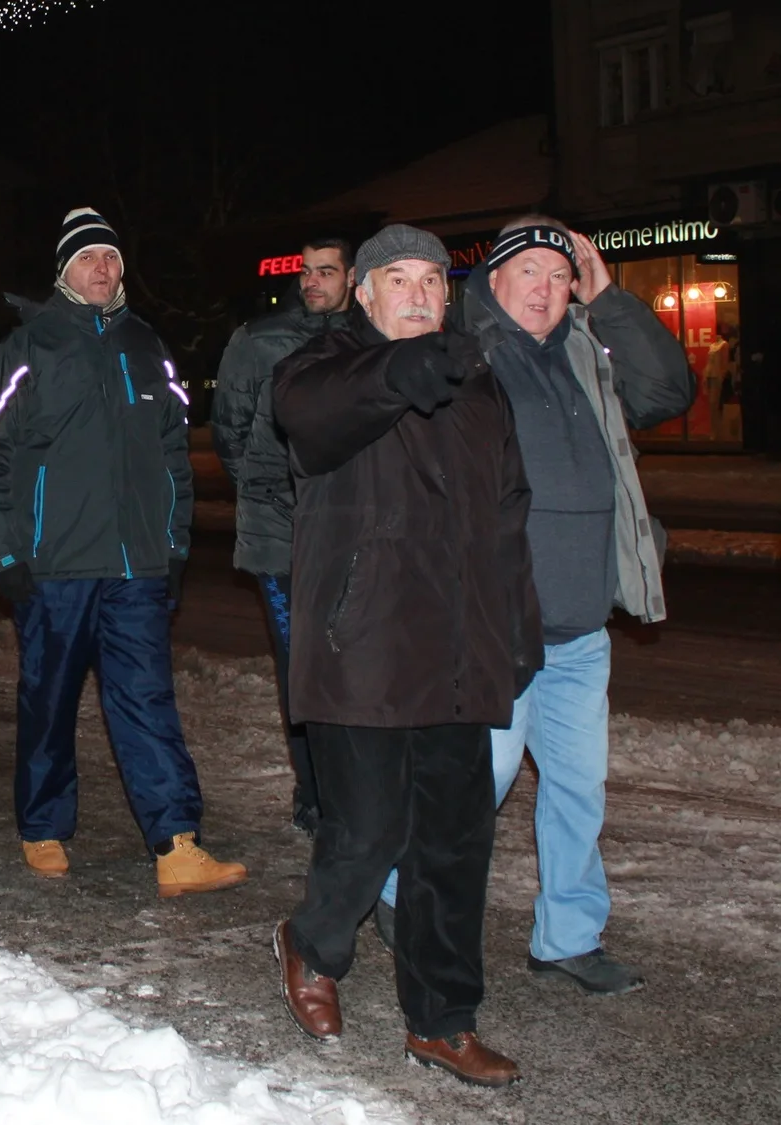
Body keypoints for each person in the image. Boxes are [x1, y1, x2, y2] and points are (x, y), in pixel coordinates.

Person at [374, 217, 694, 995]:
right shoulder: (468, 356)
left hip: (582, 623)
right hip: (498, 624)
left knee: (580, 789)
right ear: (493, 283)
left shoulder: (586, 351)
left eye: (561, 276)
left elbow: (666, 391)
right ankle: (393, 888)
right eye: (531, 275)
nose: (548, 291)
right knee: (474, 783)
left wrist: (609, 297)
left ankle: (570, 935)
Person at [271, 224, 541, 1088]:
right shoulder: (321, 369)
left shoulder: (478, 384)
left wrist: (518, 629)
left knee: (456, 847)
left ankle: (443, 1019)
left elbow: (507, 515)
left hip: (461, 651)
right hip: (366, 648)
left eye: (433, 279)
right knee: (371, 828)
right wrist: (395, 371)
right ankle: (311, 942)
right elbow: (310, 420)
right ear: (363, 292)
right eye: (400, 279)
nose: (420, 293)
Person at [0, 206, 248, 896]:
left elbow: (174, 454)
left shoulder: (147, 345)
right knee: (50, 700)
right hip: (54, 565)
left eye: (112, 258)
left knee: (148, 700)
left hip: (138, 566)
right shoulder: (28, 349)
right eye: (88, 258)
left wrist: (174, 544)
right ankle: (44, 825)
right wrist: (3, 556)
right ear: (64, 270)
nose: (103, 268)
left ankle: (177, 843)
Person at [211, 237, 354, 839]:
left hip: (352, 531)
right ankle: (314, 793)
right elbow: (230, 431)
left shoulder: (370, 338)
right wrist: (272, 490)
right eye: (306, 271)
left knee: (354, 664)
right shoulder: (258, 340)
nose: (312, 282)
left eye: (326, 271)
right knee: (301, 666)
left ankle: (352, 789)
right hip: (282, 535)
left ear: (353, 276)